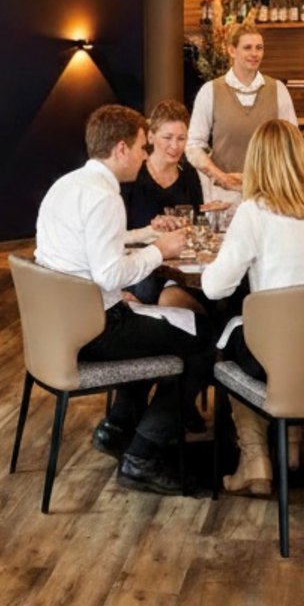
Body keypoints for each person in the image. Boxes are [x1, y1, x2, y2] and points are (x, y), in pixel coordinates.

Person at [35, 104, 205, 496]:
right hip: (95, 329)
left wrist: (145, 234)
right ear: (122, 149)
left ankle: (119, 425)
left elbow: (94, 247)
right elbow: (109, 274)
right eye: (144, 147)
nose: (146, 156)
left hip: (61, 324)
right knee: (203, 342)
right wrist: (161, 250)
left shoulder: (68, 185)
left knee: (155, 323)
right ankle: (142, 457)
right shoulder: (104, 197)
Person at [200, 119, 304, 495]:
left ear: (256, 162)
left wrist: (214, 261)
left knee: (228, 337)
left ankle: (256, 460)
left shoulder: (253, 211)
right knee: (277, 331)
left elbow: (214, 288)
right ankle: (292, 448)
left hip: (280, 358)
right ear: (300, 158)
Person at [187, 22, 298, 206]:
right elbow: (193, 146)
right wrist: (220, 177)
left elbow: (291, 143)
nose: (254, 54)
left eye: (259, 48)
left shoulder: (278, 90)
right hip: (224, 195)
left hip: (268, 192)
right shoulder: (210, 91)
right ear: (232, 51)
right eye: (247, 48)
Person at [122, 99, 205, 230]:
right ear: (150, 137)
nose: (175, 146)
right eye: (167, 137)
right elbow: (121, 232)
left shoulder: (189, 173)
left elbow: (199, 223)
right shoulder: (133, 173)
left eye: (181, 138)